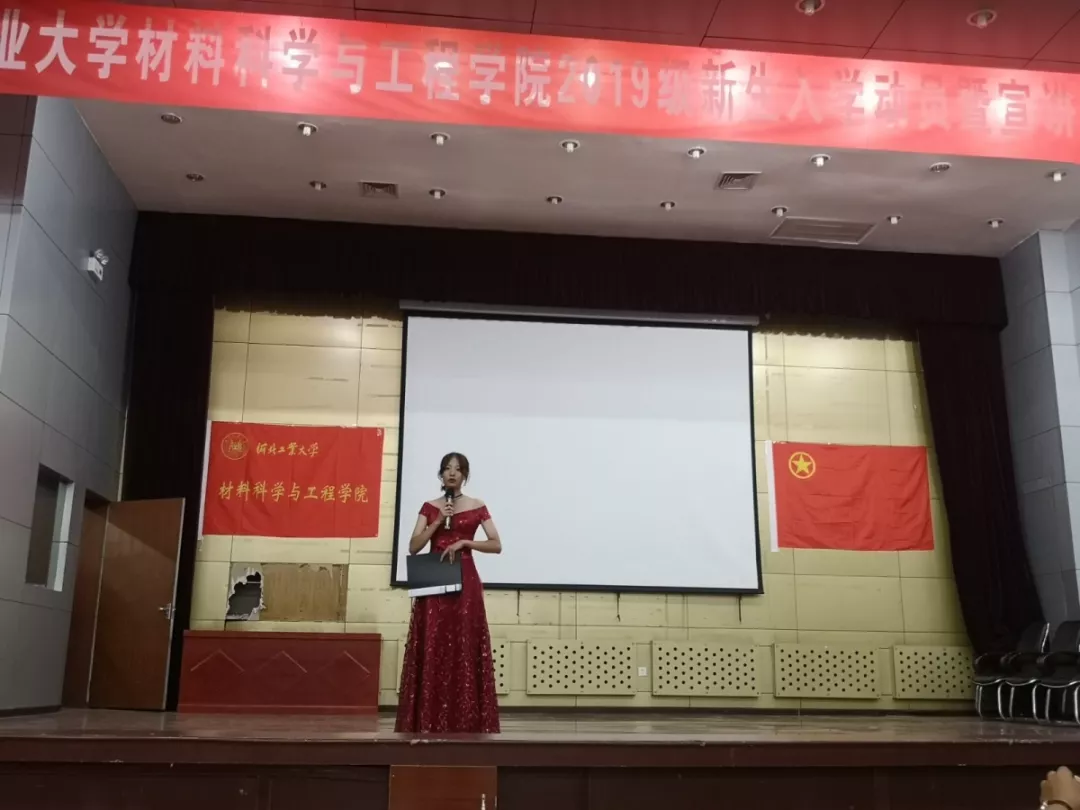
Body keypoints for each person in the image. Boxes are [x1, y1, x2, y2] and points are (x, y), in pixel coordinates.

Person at [395, 452, 502, 734]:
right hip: (435, 579)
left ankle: (466, 718)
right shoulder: (430, 507)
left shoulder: (477, 506)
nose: (452, 473)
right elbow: (414, 546)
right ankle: (427, 718)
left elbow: (496, 544)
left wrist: (466, 542)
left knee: (464, 642)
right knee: (433, 642)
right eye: (447, 468)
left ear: (465, 475)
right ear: (441, 474)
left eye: (458, 469)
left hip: (466, 579)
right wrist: (437, 521)